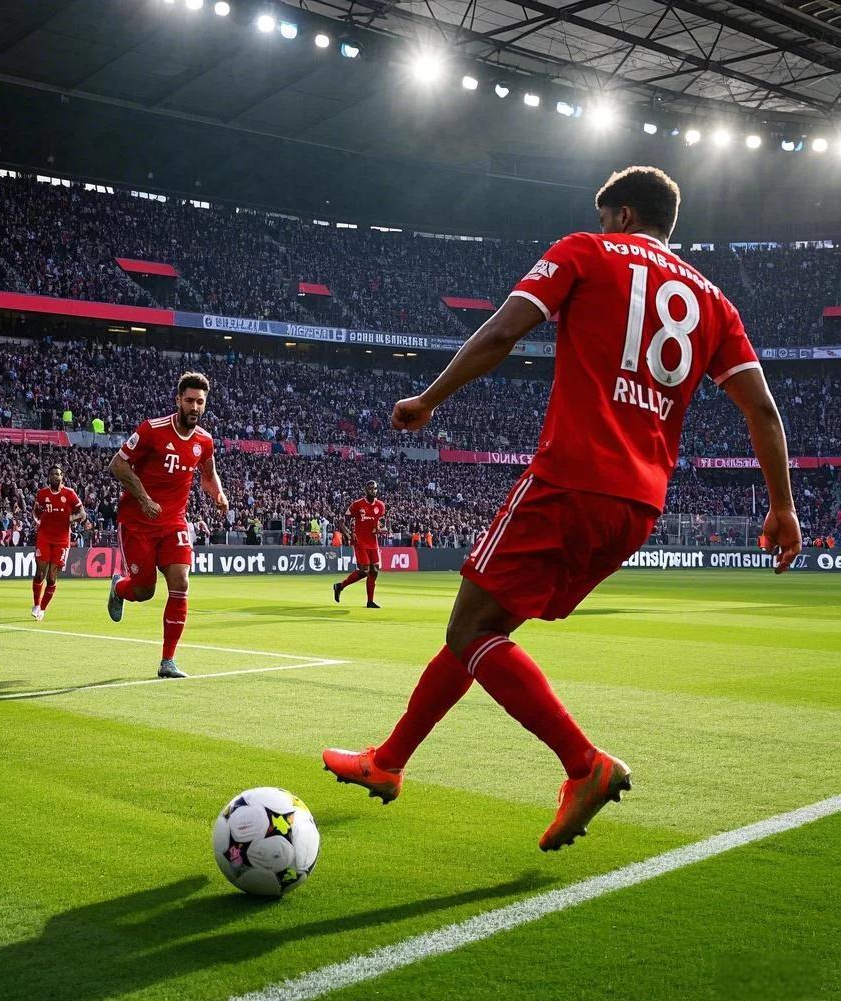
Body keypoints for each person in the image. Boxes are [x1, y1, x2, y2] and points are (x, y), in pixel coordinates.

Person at [323, 166, 801, 852]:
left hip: (568, 480)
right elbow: (762, 409)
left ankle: (584, 764)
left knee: (469, 629)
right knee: (483, 631)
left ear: (622, 214)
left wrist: (429, 398)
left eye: (605, 217)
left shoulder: (586, 251)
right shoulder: (714, 301)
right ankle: (390, 760)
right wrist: (782, 505)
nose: (600, 225)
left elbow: (501, 334)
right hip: (638, 506)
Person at [107, 372, 229, 678]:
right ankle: (119, 587)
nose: (194, 407)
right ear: (178, 400)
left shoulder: (204, 441)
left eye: (200, 402)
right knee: (144, 590)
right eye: (189, 400)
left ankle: (168, 661)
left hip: (174, 522)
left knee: (181, 583)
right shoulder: (152, 429)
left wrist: (218, 493)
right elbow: (117, 464)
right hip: (138, 522)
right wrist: (145, 499)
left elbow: (208, 474)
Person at [30, 464, 90, 621]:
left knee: (51, 578)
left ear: (62, 477)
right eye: (52, 474)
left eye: (58, 474)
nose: (55, 476)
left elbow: (82, 514)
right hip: (44, 536)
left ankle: (42, 609)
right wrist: (38, 520)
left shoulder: (69, 494)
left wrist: (70, 518)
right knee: (40, 574)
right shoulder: (42, 494)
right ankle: (36, 605)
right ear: (48, 477)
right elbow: (35, 512)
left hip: (62, 539)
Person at [333, 480, 386, 608]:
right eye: (370, 488)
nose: (373, 491)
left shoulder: (380, 505)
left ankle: (370, 601)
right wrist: (348, 533)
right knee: (365, 570)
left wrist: (380, 529)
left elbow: (381, 523)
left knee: (374, 570)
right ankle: (341, 586)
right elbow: (341, 521)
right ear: (365, 490)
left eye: (375, 488)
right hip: (360, 541)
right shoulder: (357, 505)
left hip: (373, 542)